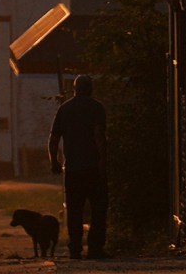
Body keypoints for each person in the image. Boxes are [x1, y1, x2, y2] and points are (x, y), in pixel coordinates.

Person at [48, 73, 109, 258]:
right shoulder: (96, 108)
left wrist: (54, 161)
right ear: (90, 89)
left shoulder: (64, 109)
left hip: (73, 169)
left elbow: (54, 138)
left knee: (75, 210)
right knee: (99, 209)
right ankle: (95, 248)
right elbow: (99, 135)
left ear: (74, 89)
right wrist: (103, 160)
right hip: (93, 168)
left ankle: (75, 248)